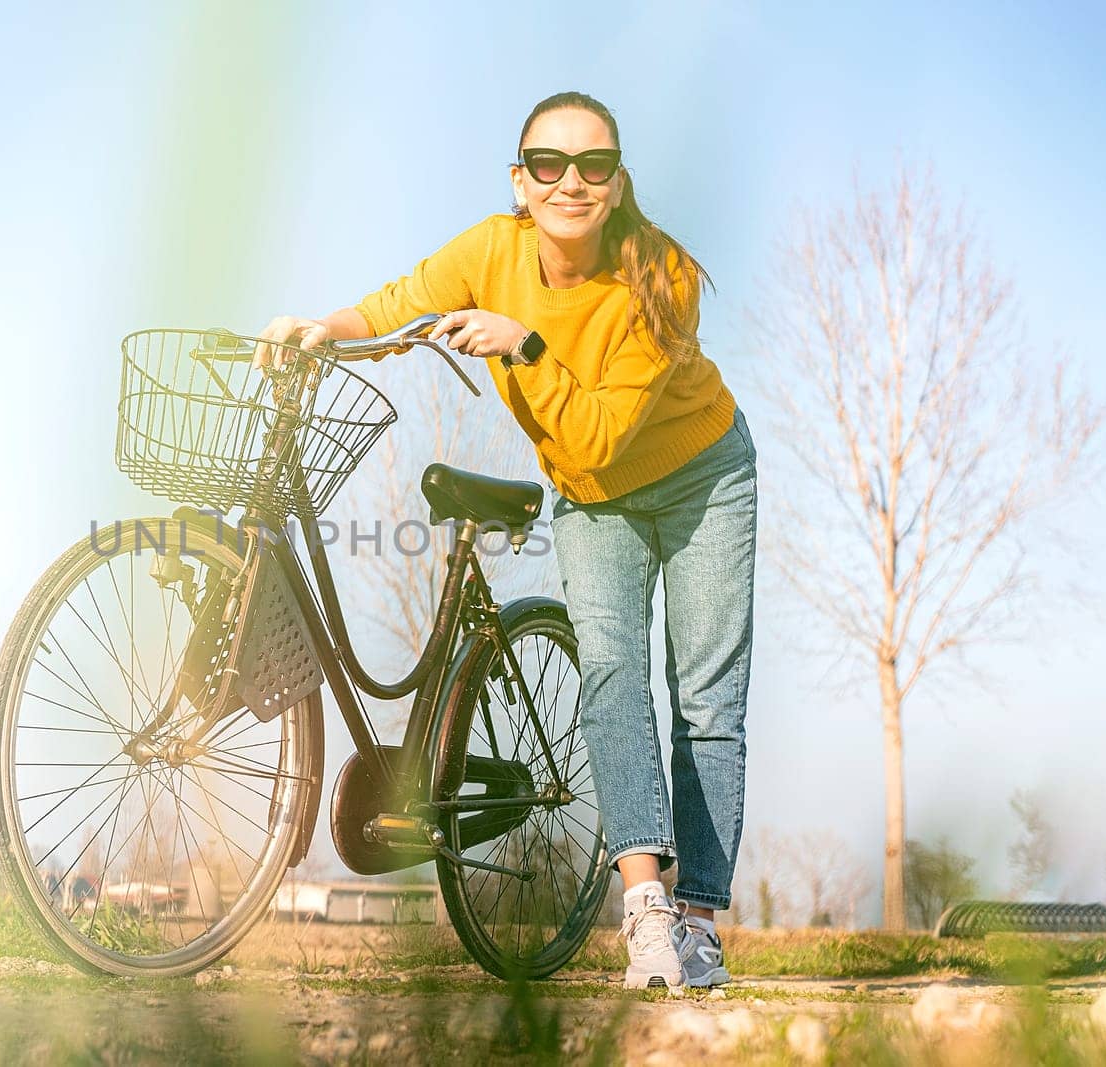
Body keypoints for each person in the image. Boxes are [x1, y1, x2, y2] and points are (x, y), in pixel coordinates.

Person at [255, 91, 756, 989]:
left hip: (700, 477)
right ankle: (646, 913)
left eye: (593, 165)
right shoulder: (493, 247)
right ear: (520, 180)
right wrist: (323, 329)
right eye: (549, 164)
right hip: (594, 495)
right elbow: (407, 296)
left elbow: (603, 431)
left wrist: (523, 344)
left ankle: (701, 921)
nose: (572, 182)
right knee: (610, 674)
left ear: (617, 182)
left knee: (706, 701)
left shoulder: (661, 276)